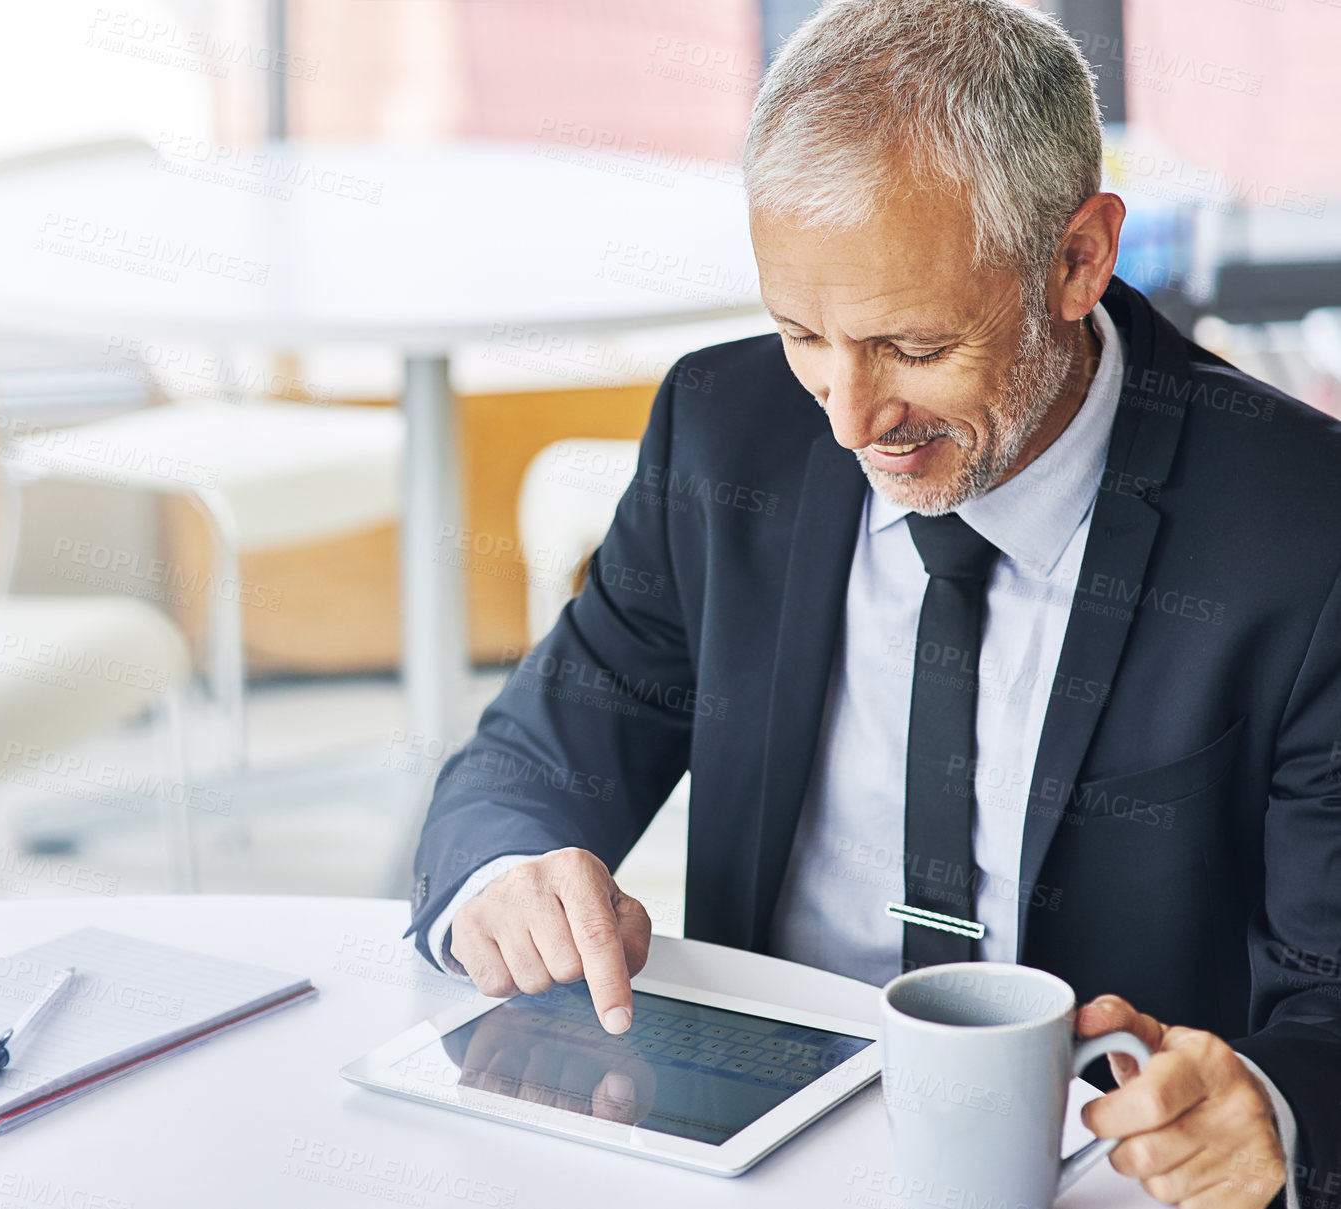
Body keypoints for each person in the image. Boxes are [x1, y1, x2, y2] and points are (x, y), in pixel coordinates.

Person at [404, 2, 1341, 1206]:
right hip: (749, 1149)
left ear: (1078, 257)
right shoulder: (721, 428)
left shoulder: (1304, 529)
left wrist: (1270, 1111)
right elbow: (528, 758)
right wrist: (508, 875)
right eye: (804, 332)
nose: (849, 420)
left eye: (911, 346)